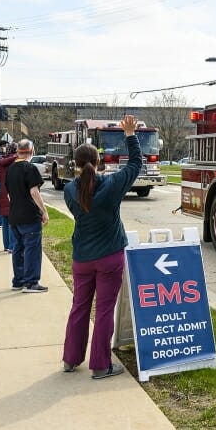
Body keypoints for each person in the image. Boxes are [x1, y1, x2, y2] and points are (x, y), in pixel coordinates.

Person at [62, 115, 142, 380]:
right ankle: (100, 365)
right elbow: (135, 164)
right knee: (104, 310)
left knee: (79, 307)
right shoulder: (111, 185)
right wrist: (129, 135)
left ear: (75, 164)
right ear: (99, 161)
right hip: (109, 257)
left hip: (81, 258)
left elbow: (84, 187)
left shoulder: (70, 190)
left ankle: (71, 360)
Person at [5, 139, 49, 293]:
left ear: (18, 151)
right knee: (32, 249)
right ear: (32, 151)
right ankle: (31, 282)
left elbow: (9, 194)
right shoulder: (30, 168)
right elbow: (34, 192)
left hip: (14, 215)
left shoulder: (10, 169)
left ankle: (18, 280)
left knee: (18, 248)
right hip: (29, 216)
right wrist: (44, 211)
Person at [0, 143, 18, 253]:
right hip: (13, 193)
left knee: (5, 222)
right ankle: (13, 245)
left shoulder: (0, 162)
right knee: (13, 223)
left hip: (3, 193)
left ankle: (7, 245)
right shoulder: (15, 162)